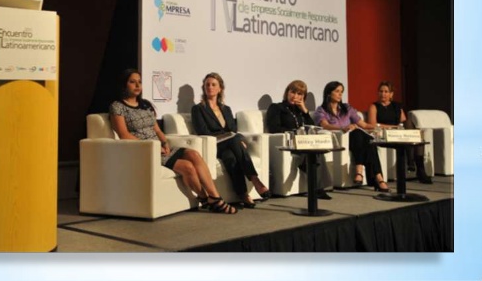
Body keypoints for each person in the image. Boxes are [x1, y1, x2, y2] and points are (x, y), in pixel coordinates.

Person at [109, 69, 238, 214]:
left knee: (194, 154)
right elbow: (124, 134)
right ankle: (205, 198)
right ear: (124, 85)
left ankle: (215, 196)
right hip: (144, 151)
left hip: (160, 148)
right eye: (132, 82)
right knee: (188, 167)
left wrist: (164, 143)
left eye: (139, 82)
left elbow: (158, 131)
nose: (138, 85)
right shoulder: (118, 107)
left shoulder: (145, 105)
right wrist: (154, 147)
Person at [191, 72, 271, 208]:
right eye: (207, 85)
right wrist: (234, 139)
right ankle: (255, 179)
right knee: (235, 140)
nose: (210, 87)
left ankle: (243, 194)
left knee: (231, 157)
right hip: (213, 144)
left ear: (220, 88)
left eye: (213, 85)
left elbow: (233, 130)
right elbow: (202, 131)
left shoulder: (226, 109)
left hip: (228, 145)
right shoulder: (198, 109)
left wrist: (239, 139)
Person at [313, 81, 390, 192]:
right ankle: (378, 179)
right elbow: (325, 125)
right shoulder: (321, 110)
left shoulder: (347, 108)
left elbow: (364, 125)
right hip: (340, 140)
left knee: (368, 140)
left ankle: (366, 174)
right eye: (337, 91)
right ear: (329, 93)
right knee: (360, 135)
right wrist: (342, 128)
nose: (340, 94)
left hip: (356, 140)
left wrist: (381, 128)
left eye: (341, 92)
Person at [265, 80, 333, 199]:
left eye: (299, 94)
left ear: (303, 97)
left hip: (303, 144)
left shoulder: (300, 111)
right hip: (289, 144)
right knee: (313, 153)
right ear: (287, 92)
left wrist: (305, 111)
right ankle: (318, 189)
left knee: (317, 151)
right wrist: (295, 133)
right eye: (293, 92)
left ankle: (319, 188)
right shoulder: (276, 107)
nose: (295, 96)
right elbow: (274, 128)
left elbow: (313, 128)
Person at [367, 81, 432, 184]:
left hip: (399, 134)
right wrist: (393, 127)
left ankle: (419, 169)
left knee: (411, 128)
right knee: (410, 135)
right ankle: (412, 163)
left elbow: (404, 123)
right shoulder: (374, 106)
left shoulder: (397, 106)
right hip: (385, 135)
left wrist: (400, 129)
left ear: (391, 94)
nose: (383, 94)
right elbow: (373, 125)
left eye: (386, 91)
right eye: (381, 91)